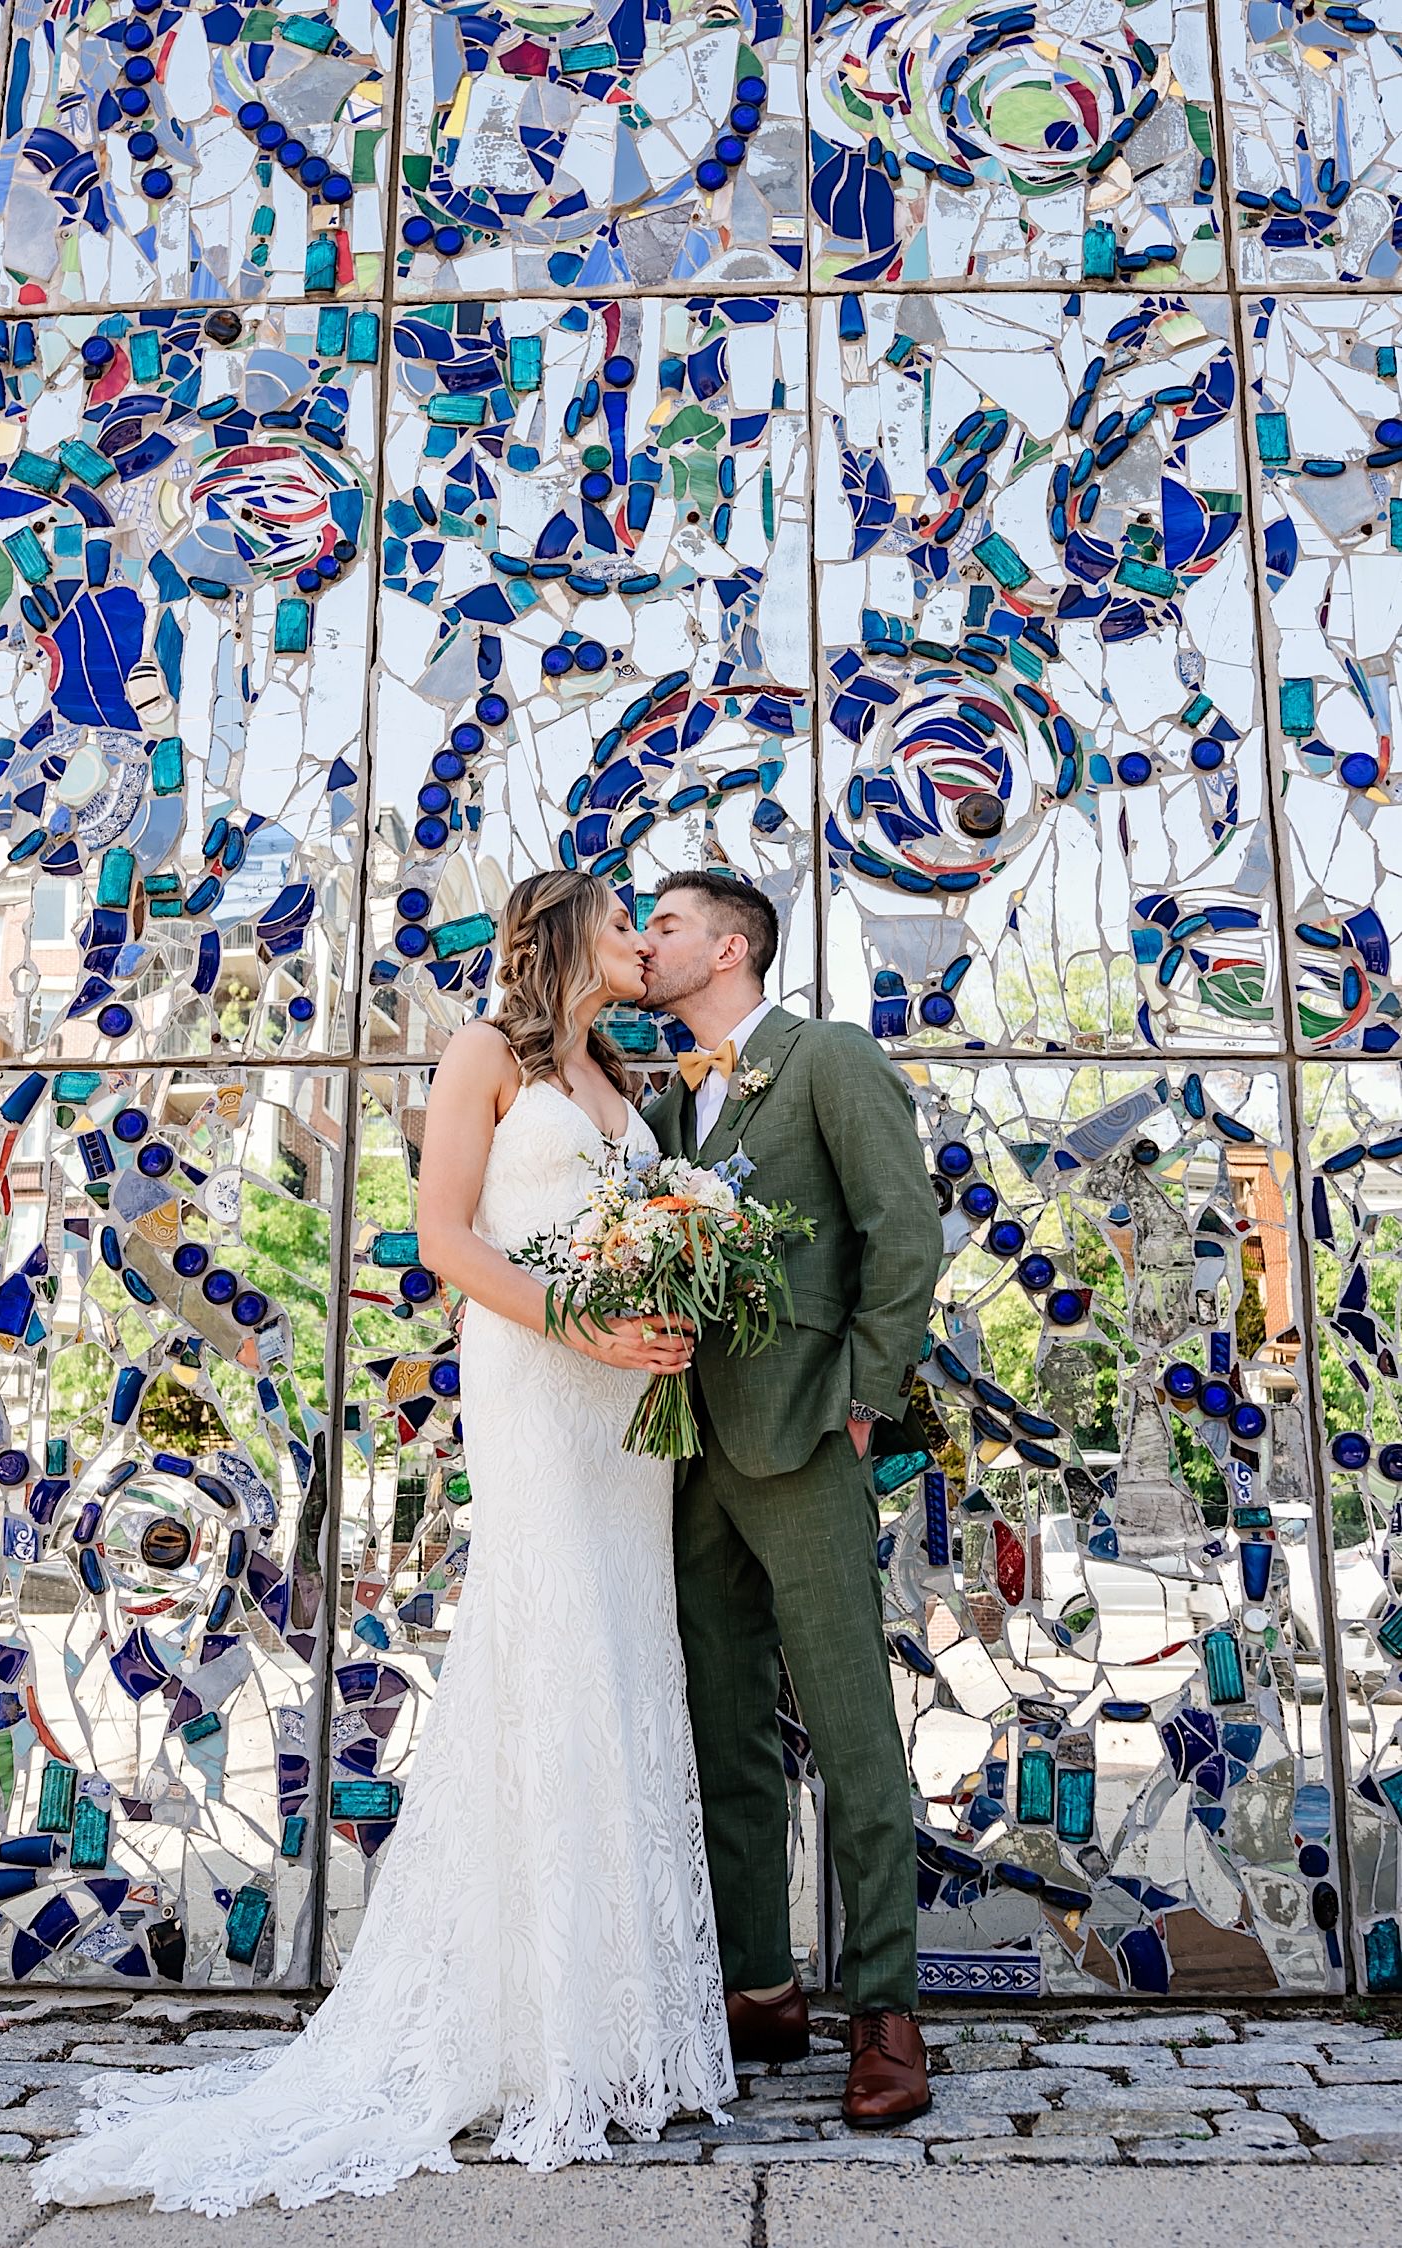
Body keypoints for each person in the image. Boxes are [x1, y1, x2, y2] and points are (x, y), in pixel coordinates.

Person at [30, 870, 735, 2218]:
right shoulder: (485, 1054)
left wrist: (661, 1311)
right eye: (623, 921)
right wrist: (582, 1324)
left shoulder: (619, 1078)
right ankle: (521, 2028)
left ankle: (608, 2022)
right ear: (564, 933)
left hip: (622, 1412)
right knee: (549, 1653)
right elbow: (445, 1239)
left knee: (619, 1664)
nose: (643, 942)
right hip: (539, 1382)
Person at [641, 869, 942, 2128]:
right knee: (727, 1733)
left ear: (730, 947)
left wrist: (864, 1401)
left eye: (664, 925)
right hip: (687, 1453)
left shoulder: (828, 1058)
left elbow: (903, 1228)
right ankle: (760, 1990)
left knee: (853, 1729)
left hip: (807, 1432)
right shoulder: (663, 1104)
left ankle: (885, 2012)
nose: (645, 943)